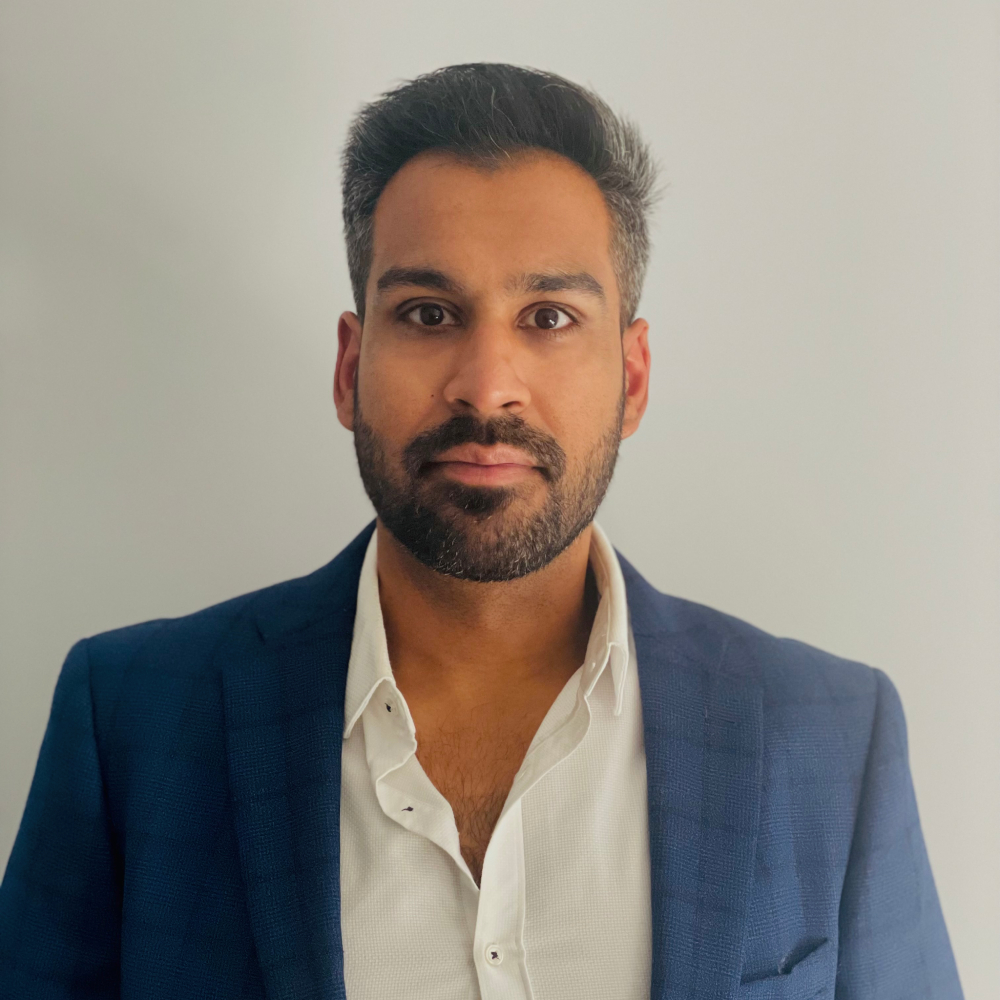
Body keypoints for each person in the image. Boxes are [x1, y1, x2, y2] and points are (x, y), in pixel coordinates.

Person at [0, 63, 962, 1000]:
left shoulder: (830, 739)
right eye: (428, 313)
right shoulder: (132, 723)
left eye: (548, 316)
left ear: (631, 379)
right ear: (350, 366)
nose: (486, 383)